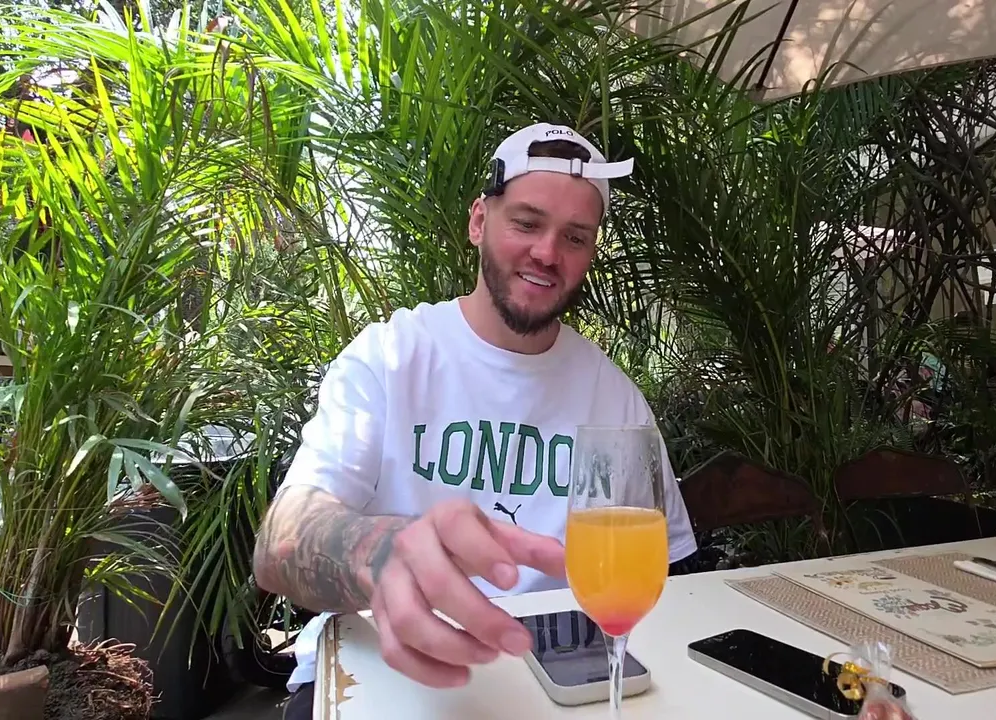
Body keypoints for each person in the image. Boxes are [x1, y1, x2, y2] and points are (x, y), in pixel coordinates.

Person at [251, 123, 698, 719]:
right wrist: (378, 553)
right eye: (527, 223)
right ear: (479, 221)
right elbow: (278, 546)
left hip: (559, 690)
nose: (548, 253)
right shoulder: (389, 358)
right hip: (375, 681)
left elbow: (663, 575)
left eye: (575, 237)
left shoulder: (615, 398)